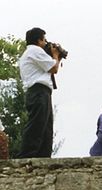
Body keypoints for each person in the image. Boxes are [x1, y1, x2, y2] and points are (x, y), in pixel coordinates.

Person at [18, 27, 61, 158]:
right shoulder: (35, 50)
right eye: (45, 40)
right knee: (37, 124)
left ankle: (42, 156)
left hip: (40, 92)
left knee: (45, 128)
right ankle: (27, 156)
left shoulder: (30, 52)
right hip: (39, 91)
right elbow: (54, 68)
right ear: (39, 40)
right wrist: (56, 56)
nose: (46, 43)